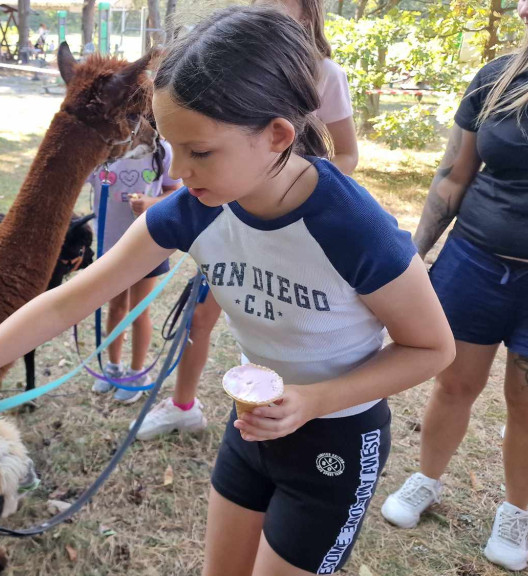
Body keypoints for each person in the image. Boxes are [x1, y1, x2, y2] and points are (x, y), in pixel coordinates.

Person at [0, 7, 455, 575]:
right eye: (170, 147)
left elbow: (432, 349)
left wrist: (314, 401)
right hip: (253, 429)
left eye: (200, 151)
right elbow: (67, 300)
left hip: (336, 438)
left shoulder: (354, 228)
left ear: (278, 135)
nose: (179, 172)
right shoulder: (193, 209)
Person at [380, 0, 528, 570]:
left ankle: (515, 512)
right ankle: (426, 479)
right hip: (474, 263)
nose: (524, 7)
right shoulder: (498, 78)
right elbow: (454, 176)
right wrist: (409, 260)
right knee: (454, 385)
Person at [134, 0, 360, 440]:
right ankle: (183, 404)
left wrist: (298, 199)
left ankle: (294, 410)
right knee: (199, 315)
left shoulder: (325, 75)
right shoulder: (200, 199)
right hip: (232, 216)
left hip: (291, 230)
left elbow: (346, 152)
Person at [87, 133, 181, 403]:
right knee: (116, 308)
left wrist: (150, 203)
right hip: (112, 247)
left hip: (148, 246)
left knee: (139, 311)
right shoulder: (103, 150)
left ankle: (137, 373)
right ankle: (113, 367)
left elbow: (175, 191)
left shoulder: (162, 150)